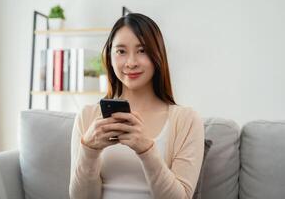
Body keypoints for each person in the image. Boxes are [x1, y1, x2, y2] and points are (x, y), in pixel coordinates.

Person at [69, 13, 204, 199]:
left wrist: (146, 150)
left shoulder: (186, 120)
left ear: (158, 55)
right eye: (121, 51)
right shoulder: (87, 116)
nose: (131, 63)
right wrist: (89, 152)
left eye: (142, 50)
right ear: (109, 56)